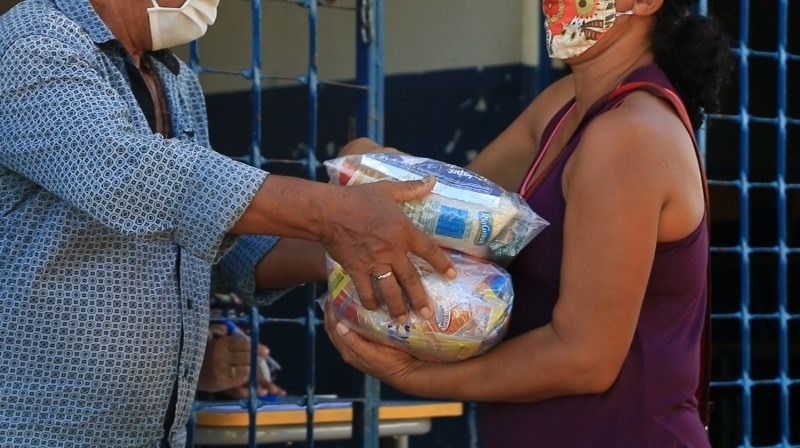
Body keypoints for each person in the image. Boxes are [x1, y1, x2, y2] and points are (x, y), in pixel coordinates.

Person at [0, 0, 456, 446]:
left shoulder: (175, 80)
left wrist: (357, 243)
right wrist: (334, 212)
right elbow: (126, 173)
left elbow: (215, 236)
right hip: (35, 429)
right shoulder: (34, 41)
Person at [324, 0, 732, 446]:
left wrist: (412, 375)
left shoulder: (629, 134)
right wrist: (371, 170)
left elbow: (583, 358)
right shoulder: (564, 104)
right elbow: (445, 212)